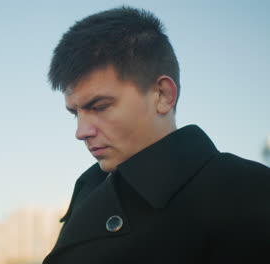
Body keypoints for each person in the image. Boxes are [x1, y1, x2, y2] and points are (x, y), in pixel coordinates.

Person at [42, 6, 270, 264]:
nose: (81, 132)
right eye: (75, 113)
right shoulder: (91, 192)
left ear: (163, 95)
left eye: (100, 107)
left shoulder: (249, 195)